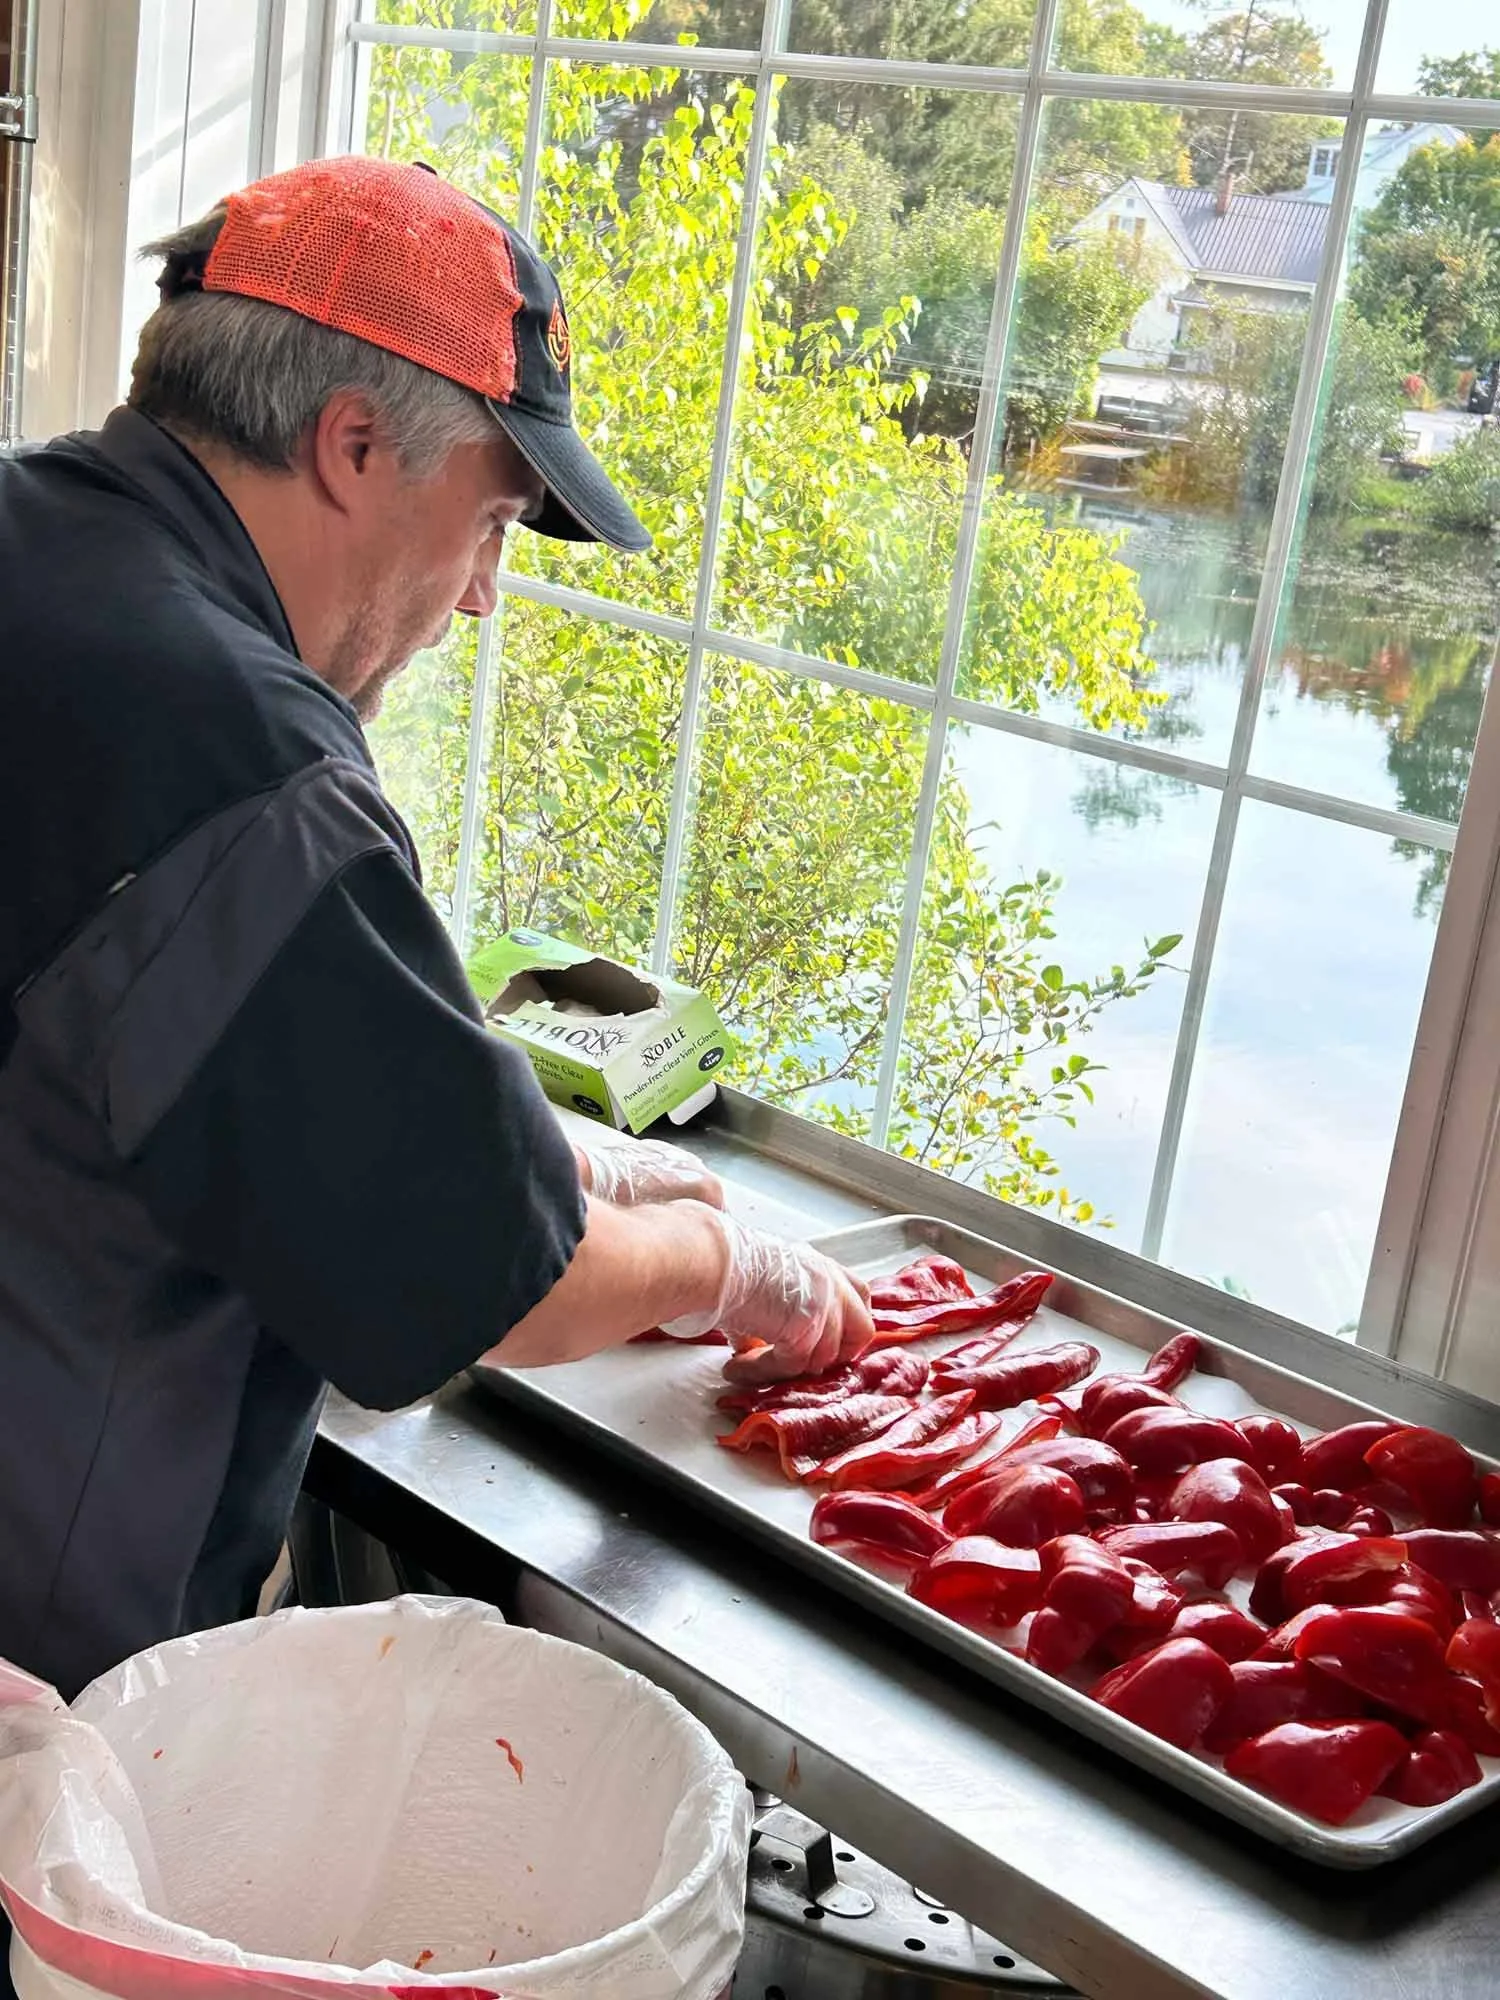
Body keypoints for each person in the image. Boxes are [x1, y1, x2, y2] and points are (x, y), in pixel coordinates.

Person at [0, 156, 873, 1714]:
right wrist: (736, 1267)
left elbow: (155, 1035)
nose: (480, 597)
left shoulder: (32, 542)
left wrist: (537, 1133)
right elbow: (513, 1290)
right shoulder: (254, 775)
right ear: (351, 446)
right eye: (492, 520)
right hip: (36, 1673)